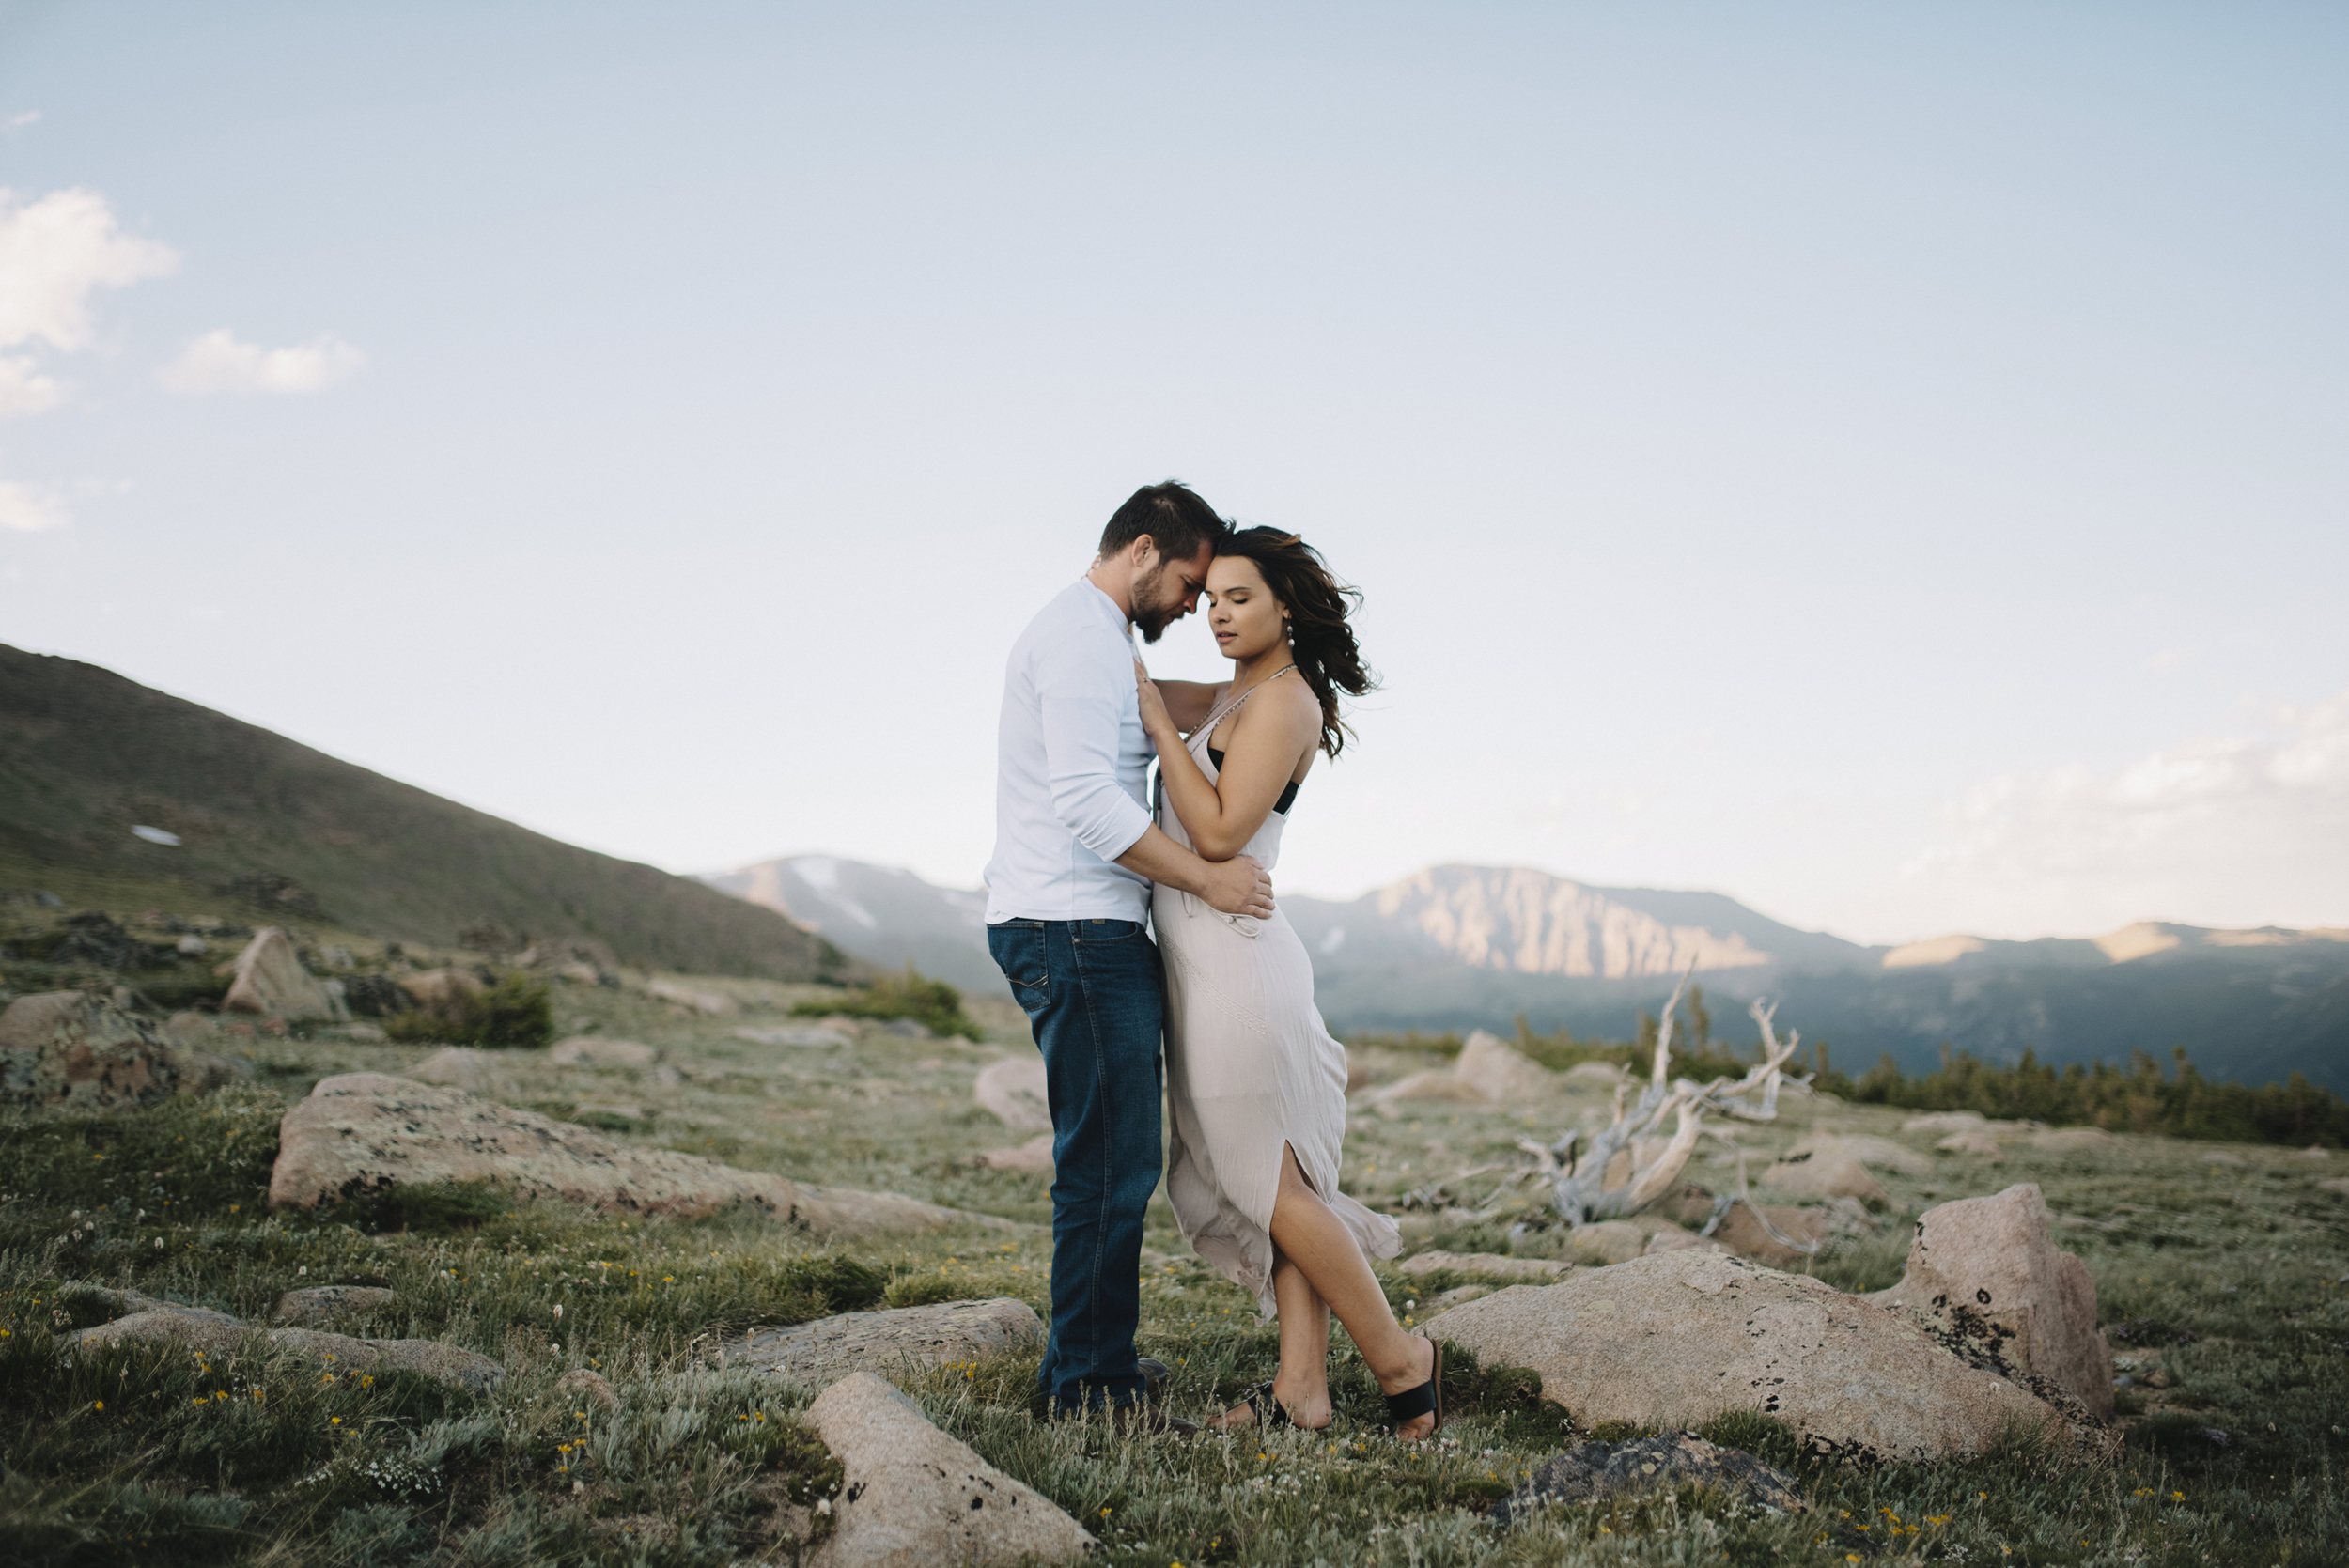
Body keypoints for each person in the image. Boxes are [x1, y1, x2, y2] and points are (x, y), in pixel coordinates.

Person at [1136, 526, 1444, 1439]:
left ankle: (1400, 1358)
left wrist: (1158, 725)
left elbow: (1221, 833)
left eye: (1241, 598)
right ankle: (1299, 1390)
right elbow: (1139, 691)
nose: (1221, 615)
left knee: (1269, 1190)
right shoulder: (1234, 693)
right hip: (1207, 963)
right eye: (1213, 599)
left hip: (1237, 965)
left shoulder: (1284, 703)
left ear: (1283, 606)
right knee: (1280, 1182)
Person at [984, 481, 1277, 1430]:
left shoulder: (1100, 640)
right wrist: (1206, 877)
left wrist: (1279, 675)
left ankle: (1085, 1363)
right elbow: (1085, 801)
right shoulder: (1079, 638)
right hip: (1073, 928)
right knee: (1109, 1165)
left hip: (1080, 925)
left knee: (1105, 1160)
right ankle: (1091, 1392)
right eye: (1192, 584)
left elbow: (1203, 699)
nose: (1196, 606)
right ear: (1145, 551)